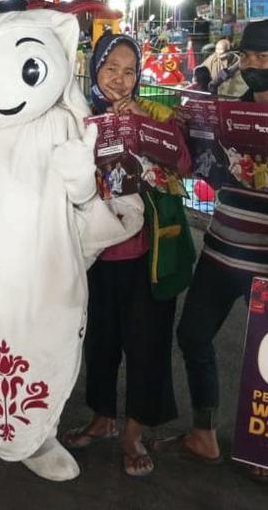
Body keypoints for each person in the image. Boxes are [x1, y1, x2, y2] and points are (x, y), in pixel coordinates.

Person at [165, 19, 268, 480]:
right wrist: (189, 137)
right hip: (220, 248)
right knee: (193, 335)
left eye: (263, 58)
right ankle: (204, 431)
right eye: (247, 57)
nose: (253, 66)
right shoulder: (228, 111)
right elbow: (206, 176)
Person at [64, 32, 193, 477]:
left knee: (147, 343)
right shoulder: (76, 116)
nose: (120, 79)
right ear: (95, 69)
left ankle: (134, 430)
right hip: (93, 254)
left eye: (129, 71)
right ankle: (102, 417)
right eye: (110, 68)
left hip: (149, 253)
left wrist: (144, 123)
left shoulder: (156, 113)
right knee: (99, 341)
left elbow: (184, 164)